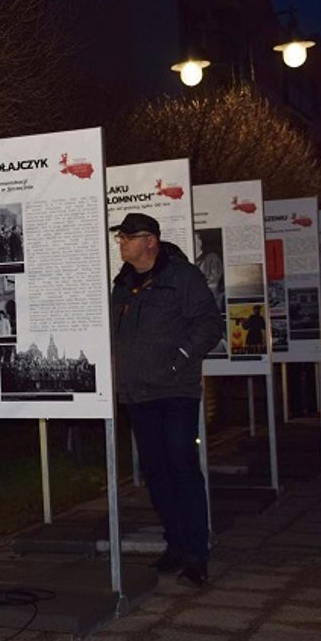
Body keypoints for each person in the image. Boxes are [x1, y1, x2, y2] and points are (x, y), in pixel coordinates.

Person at [109, 212, 221, 587]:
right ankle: (175, 545)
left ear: (150, 241)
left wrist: (179, 361)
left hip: (174, 392)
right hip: (137, 394)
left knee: (182, 468)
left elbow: (209, 324)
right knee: (156, 472)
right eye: (120, 237)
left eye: (128, 237)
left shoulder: (182, 278)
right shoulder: (123, 284)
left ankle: (196, 553)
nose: (121, 243)